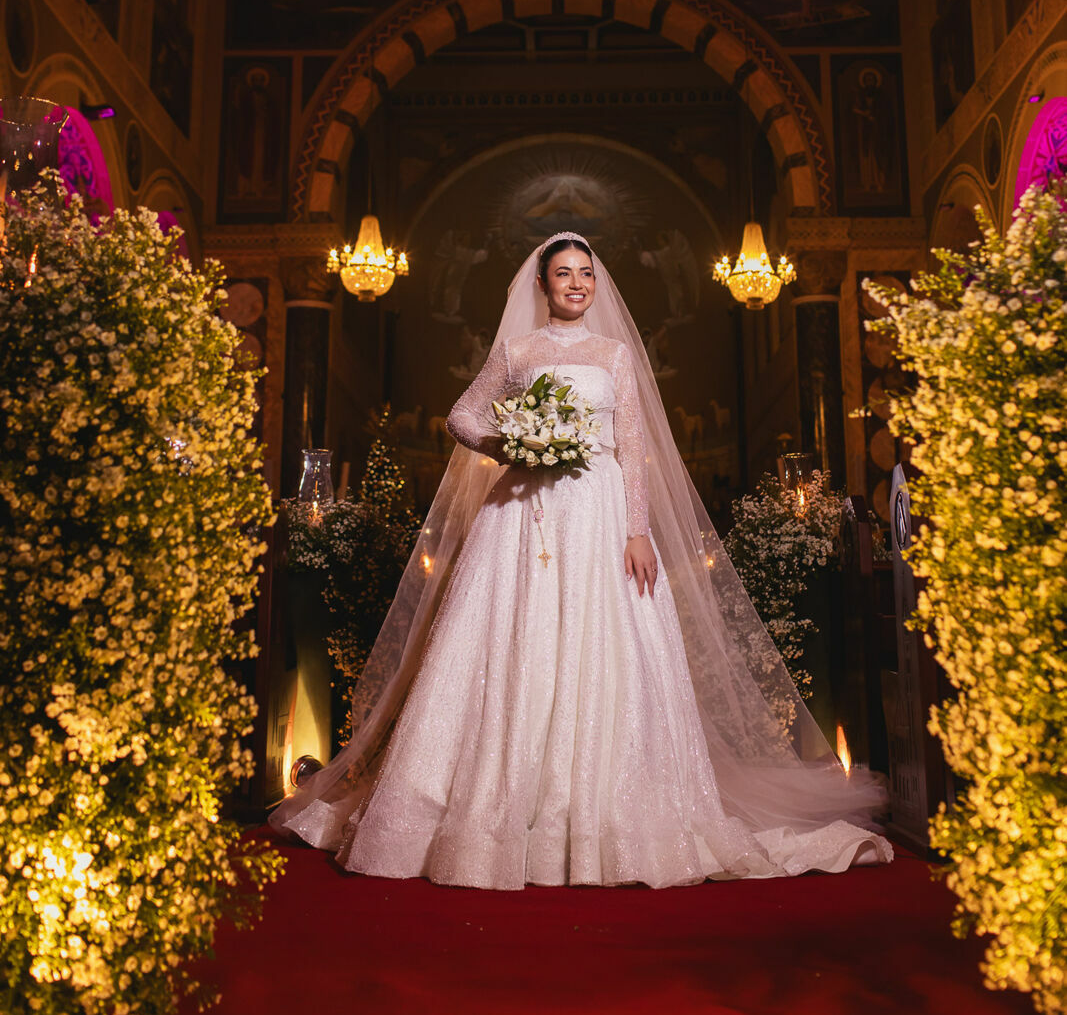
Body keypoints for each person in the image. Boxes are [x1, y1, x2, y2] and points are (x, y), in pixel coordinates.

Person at [270, 232, 892, 889]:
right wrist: (508, 444)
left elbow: (628, 445)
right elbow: (461, 415)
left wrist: (637, 531)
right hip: (520, 515)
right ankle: (486, 815)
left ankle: (601, 814)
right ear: (540, 284)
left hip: (598, 513)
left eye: (585, 275)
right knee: (510, 643)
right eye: (563, 274)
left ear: (595, 285)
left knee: (605, 647)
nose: (575, 284)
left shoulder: (614, 354)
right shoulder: (517, 352)